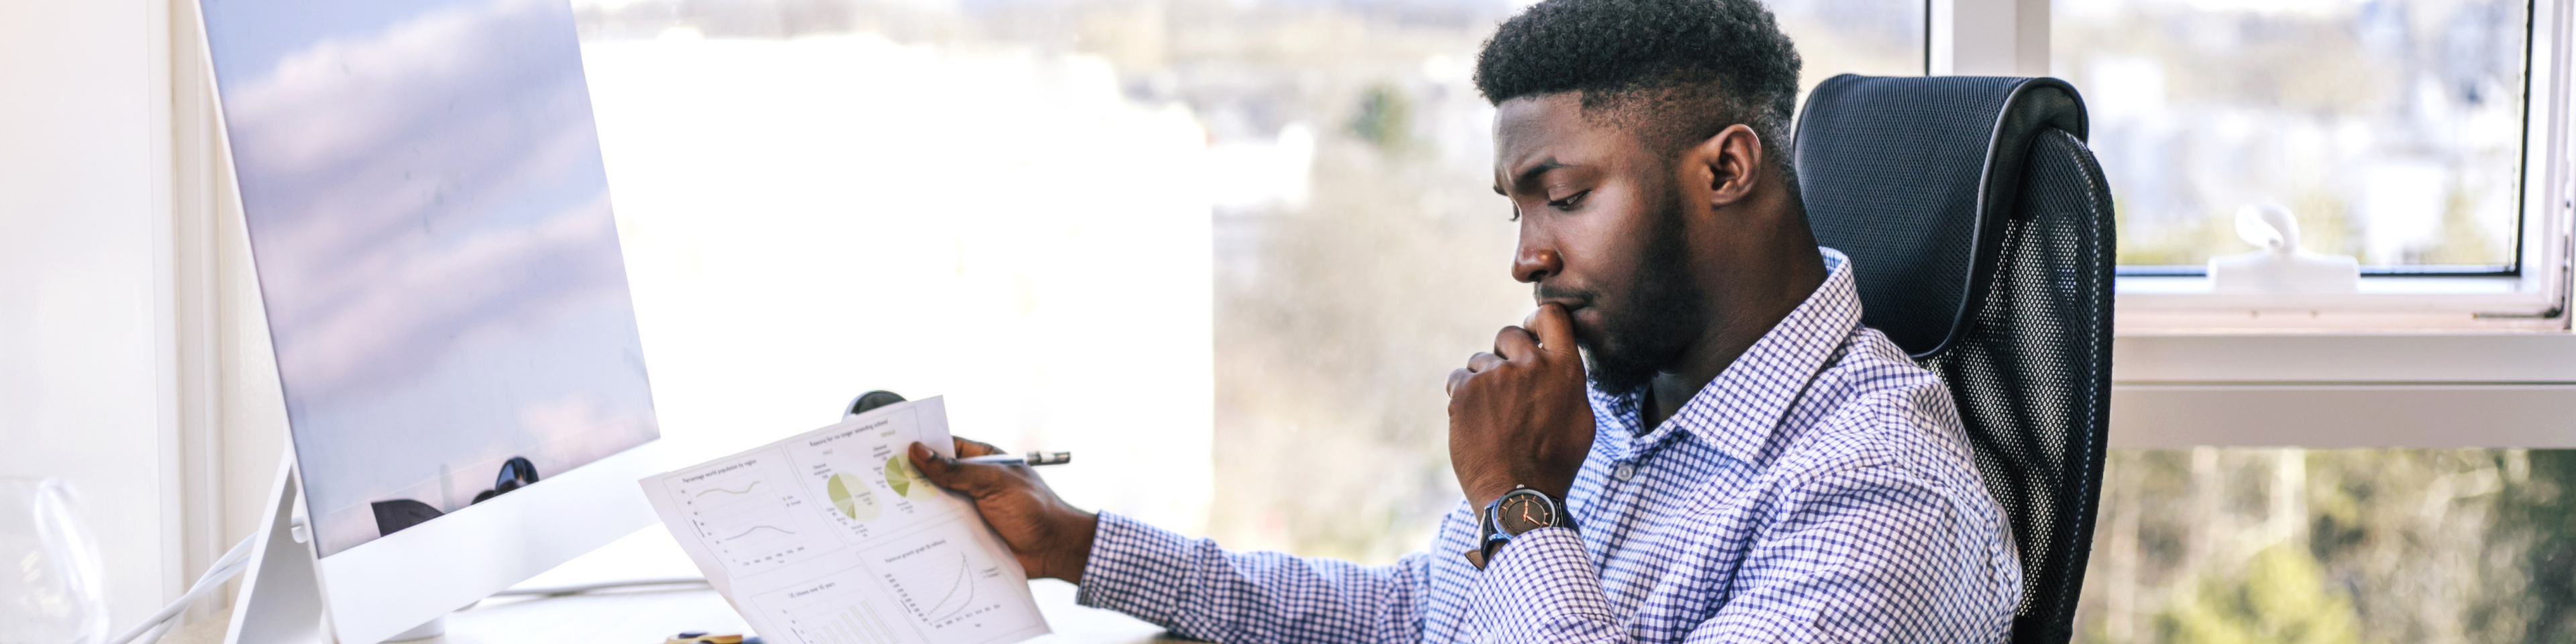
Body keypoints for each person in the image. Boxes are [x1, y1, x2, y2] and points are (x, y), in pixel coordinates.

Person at [903, 0, 2023, 639]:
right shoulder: (1627, 406)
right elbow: (1416, 616)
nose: (1527, 255)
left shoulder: (1879, 485)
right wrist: (1081, 545)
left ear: (1726, 166)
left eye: (1566, 196)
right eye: (1520, 205)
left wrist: (1521, 501)